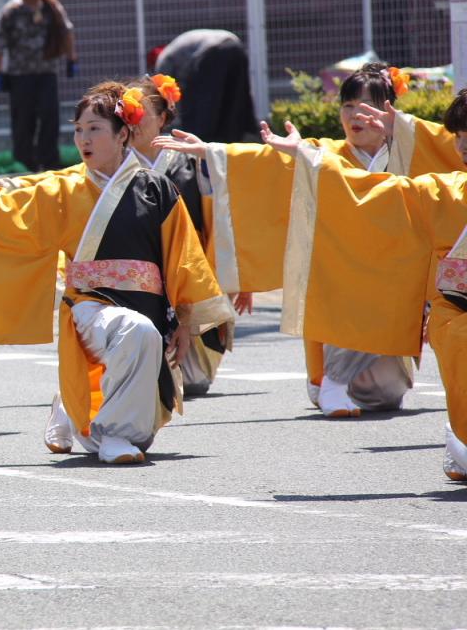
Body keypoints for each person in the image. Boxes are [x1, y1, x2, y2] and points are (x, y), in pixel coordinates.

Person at [0, 81, 232, 463]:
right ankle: (112, 434)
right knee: (137, 333)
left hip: (148, 305)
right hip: (89, 307)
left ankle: (70, 404)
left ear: (123, 134)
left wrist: (185, 320)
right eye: (79, 129)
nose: (84, 138)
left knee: (144, 348)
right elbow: (4, 201)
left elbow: (184, 257)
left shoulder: (157, 189)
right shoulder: (65, 188)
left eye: (95, 128)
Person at [153, 63, 421, 418]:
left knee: (386, 394)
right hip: (341, 285)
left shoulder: (408, 152)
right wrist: (210, 152)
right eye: (347, 106)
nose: (355, 115)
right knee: (367, 288)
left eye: (366, 106)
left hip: (395, 285)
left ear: (390, 111)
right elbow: (265, 163)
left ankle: (343, 382)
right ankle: (332, 381)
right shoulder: (323, 152)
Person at [257, 89, 467, 481]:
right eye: (457, 136)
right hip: (458, 314)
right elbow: (369, 189)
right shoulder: (444, 191)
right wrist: (303, 153)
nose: (462, 145)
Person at [121, 74, 243, 397]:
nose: (133, 121)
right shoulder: (114, 169)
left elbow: (225, 215)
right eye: (126, 113)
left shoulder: (191, 163)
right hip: (137, 282)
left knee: (194, 381)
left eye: (141, 111)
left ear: (162, 117)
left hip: (189, 279)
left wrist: (240, 275)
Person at [0, 0, 78, 172]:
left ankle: (49, 162)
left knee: (50, 118)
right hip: (20, 75)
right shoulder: (11, 10)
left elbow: (66, 32)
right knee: (23, 121)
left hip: (46, 72)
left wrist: (71, 59)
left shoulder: (51, 6)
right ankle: (24, 163)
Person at [154, 29, 258, 143]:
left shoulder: (163, 58)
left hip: (212, 51)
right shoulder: (177, 48)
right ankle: (236, 138)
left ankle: (202, 143)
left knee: (204, 106)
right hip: (236, 47)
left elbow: (165, 92)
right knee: (235, 99)